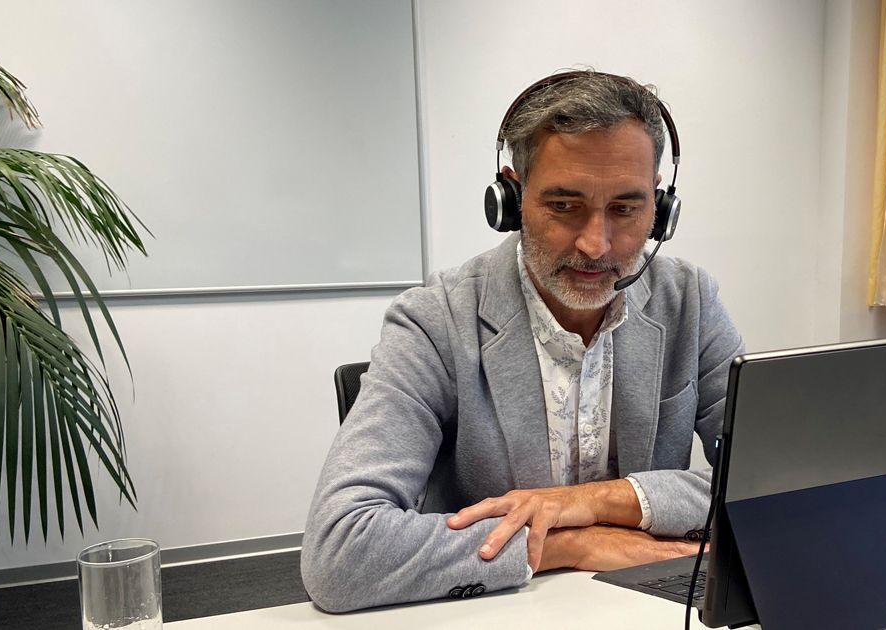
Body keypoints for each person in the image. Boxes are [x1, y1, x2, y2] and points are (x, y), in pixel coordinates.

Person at [300, 70, 744, 612]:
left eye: (626, 209)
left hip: (646, 604)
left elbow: (778, 481)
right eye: (564, 205)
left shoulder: (690, 302)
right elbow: (339, 553)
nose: (595, 244)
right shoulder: (435, 321)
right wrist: (570, 543)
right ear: (509, 199)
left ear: (661, 210)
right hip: (497, 609)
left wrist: (601, 500)